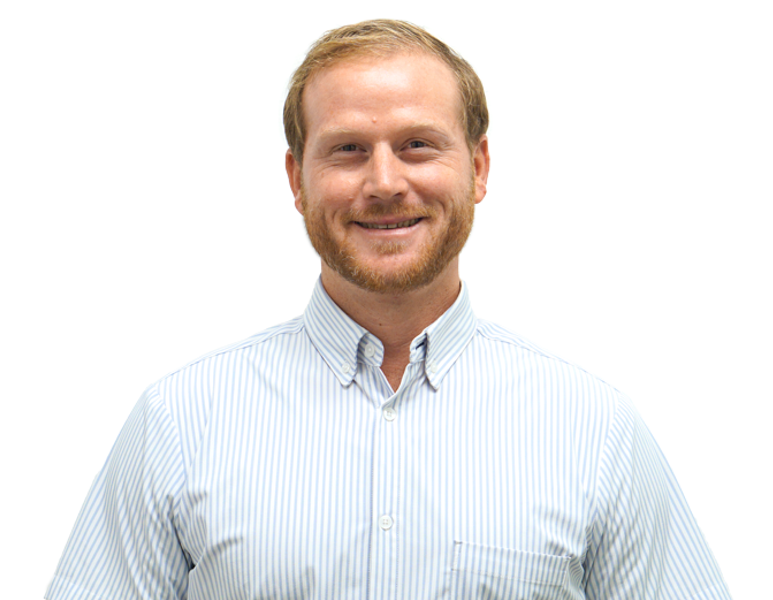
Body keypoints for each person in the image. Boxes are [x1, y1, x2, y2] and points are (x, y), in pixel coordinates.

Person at [45, 19, 731, 600]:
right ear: (296, 178)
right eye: (347, 150)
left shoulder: (593, 428)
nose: (383, 182)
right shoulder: (178, 422)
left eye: (417, 145)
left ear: (479, 166)